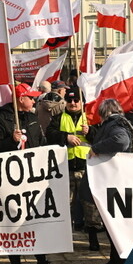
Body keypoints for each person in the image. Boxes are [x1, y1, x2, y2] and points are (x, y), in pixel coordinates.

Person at [0, 84, 53, 264]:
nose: (34, 101)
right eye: (30, 98)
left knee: (37, 220)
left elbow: (41, 143)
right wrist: (11, 141)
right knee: (13, 223)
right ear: (20, 99)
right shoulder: (2, 119)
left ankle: (42, 261)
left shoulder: (33, 118)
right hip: (11, 181)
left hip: (33, 179)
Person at [90, 98, 133, 264]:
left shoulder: (114, 125)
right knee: (119, 224)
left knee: (117, 224)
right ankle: (114, 261)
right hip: (129, 179)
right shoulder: (128, 123)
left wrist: (97, 147)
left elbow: (122, 141)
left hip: (118, 181)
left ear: (103, 113)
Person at [46, 89, 100, 249]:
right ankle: (65, 239)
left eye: (76, 100)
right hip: (66, 167)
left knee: (89, 205)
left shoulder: (90, 117)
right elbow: (49, 134)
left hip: (86, 167)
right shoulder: (59, 117)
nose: (73, 103)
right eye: (69, 100)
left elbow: (100, 136)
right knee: (65, 204)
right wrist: (65, 137)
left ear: (82, 101)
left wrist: (90, 132)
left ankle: (93, 239)